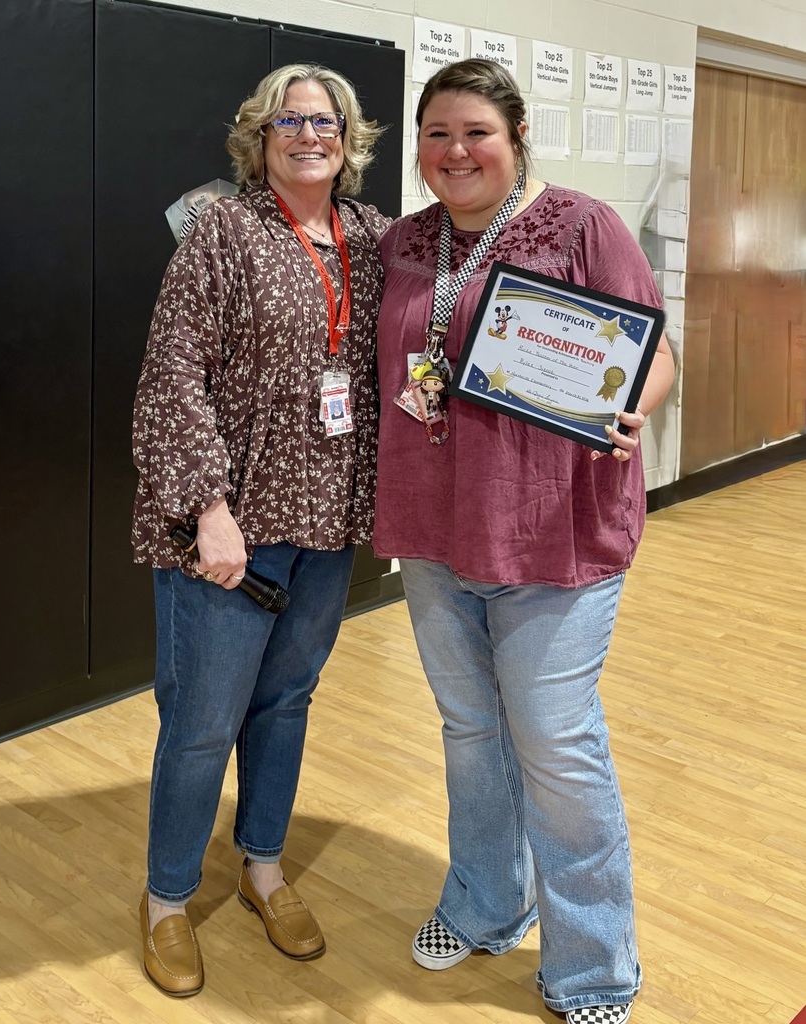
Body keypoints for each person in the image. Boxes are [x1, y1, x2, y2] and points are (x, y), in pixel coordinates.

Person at [373, 59, 674, 1024]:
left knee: (555, 743)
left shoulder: (581, 226)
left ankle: (591, 967)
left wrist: (635, 411)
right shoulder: (408, 240)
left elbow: (653, 350)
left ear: (515, 137)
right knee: (470, 735)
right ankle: (485, 904)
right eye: (437, 135)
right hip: (434, 528)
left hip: (554, 532)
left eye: (476, 133)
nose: (455, 153)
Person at [131, 63, 388, 997]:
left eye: (325, 121)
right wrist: (208, 511)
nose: (307, 133)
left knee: (286, 704)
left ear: (350, 138)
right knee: (199, 724)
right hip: (229, 532)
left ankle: (264, 870)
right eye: (289, 120)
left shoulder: (373, 237)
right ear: (260, 134)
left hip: (327, 524)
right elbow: (171, 380)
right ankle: (166, 899)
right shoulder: (221, 234)